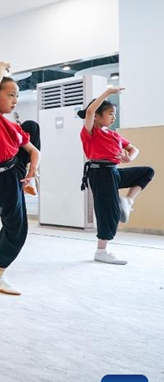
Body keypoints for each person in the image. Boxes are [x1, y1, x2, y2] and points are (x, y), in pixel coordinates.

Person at [0, 62, 39, 296]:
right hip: (0, 176)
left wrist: (32, 172)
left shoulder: (12, 125)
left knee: (32, 128)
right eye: (11, 95)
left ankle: (29, 184)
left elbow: (35, 151)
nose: (15, 100)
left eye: (17, 96)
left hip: (14, 171)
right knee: (16, 227)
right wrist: (2, 67)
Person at [79, 87, 154, 264]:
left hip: (113, 171)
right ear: (97, 116)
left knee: (147, 172)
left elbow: (133, 149)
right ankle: (101, 251)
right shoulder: (91, 132)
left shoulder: (113, 134)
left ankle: (128, 200)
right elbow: (90, 110)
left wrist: (129, 158)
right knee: (108, 212)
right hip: (99, 173)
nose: (113, 117)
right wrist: (107, 93)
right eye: (110, 113)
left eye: (114, 114)